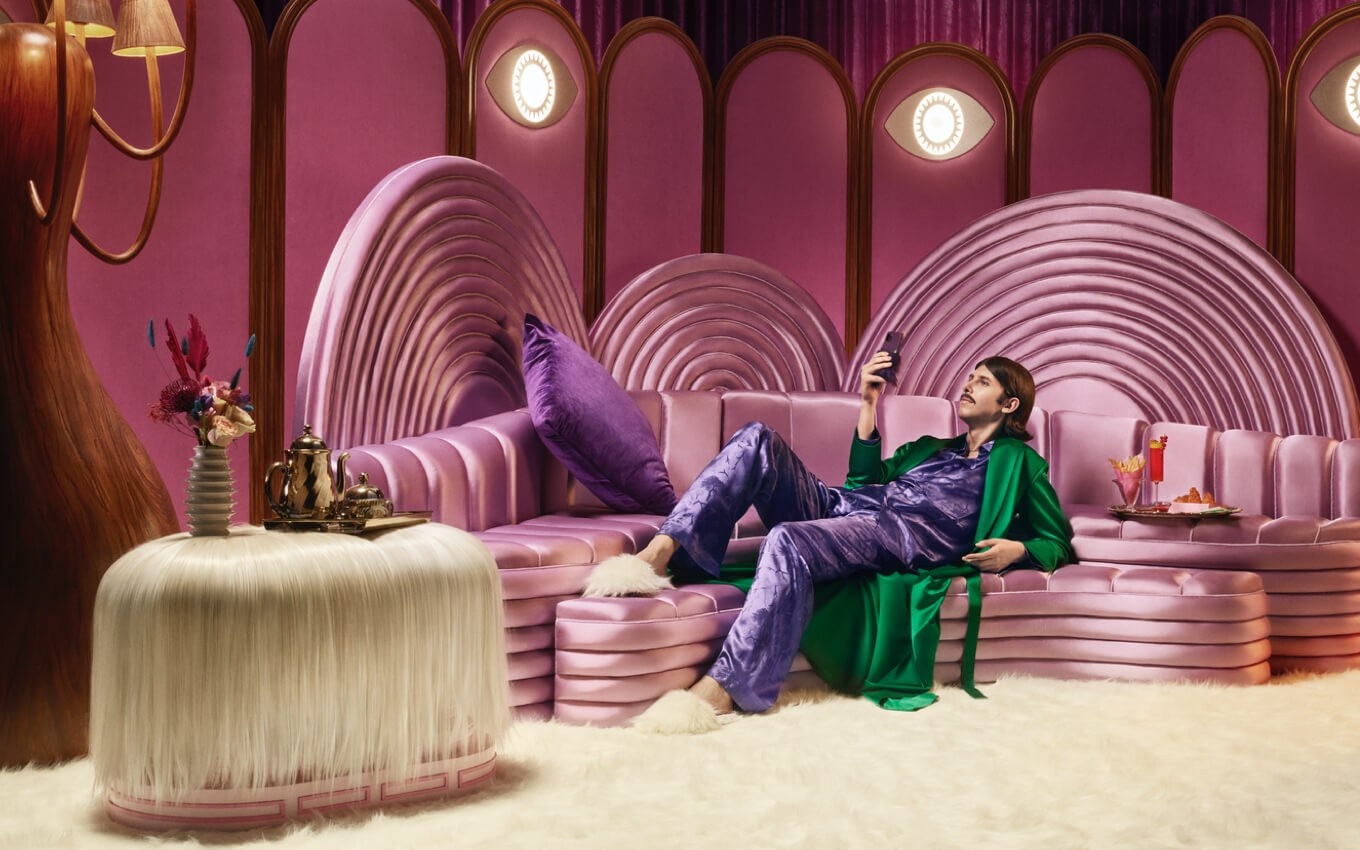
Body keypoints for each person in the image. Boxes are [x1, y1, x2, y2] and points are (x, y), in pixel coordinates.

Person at [590, 352, 1073, 731]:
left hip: (893, 535)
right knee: (757, 438)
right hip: (843, 508)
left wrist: (1019, 550)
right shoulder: (930, 448)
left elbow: (1056, 539)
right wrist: (868, 405)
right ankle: (660, 552)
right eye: (970, 377)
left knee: (788, 539)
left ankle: (727, 687)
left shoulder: (1019, 464)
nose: (967, 385)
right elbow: (863, 482)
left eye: (982, 381)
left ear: (1010, 404)